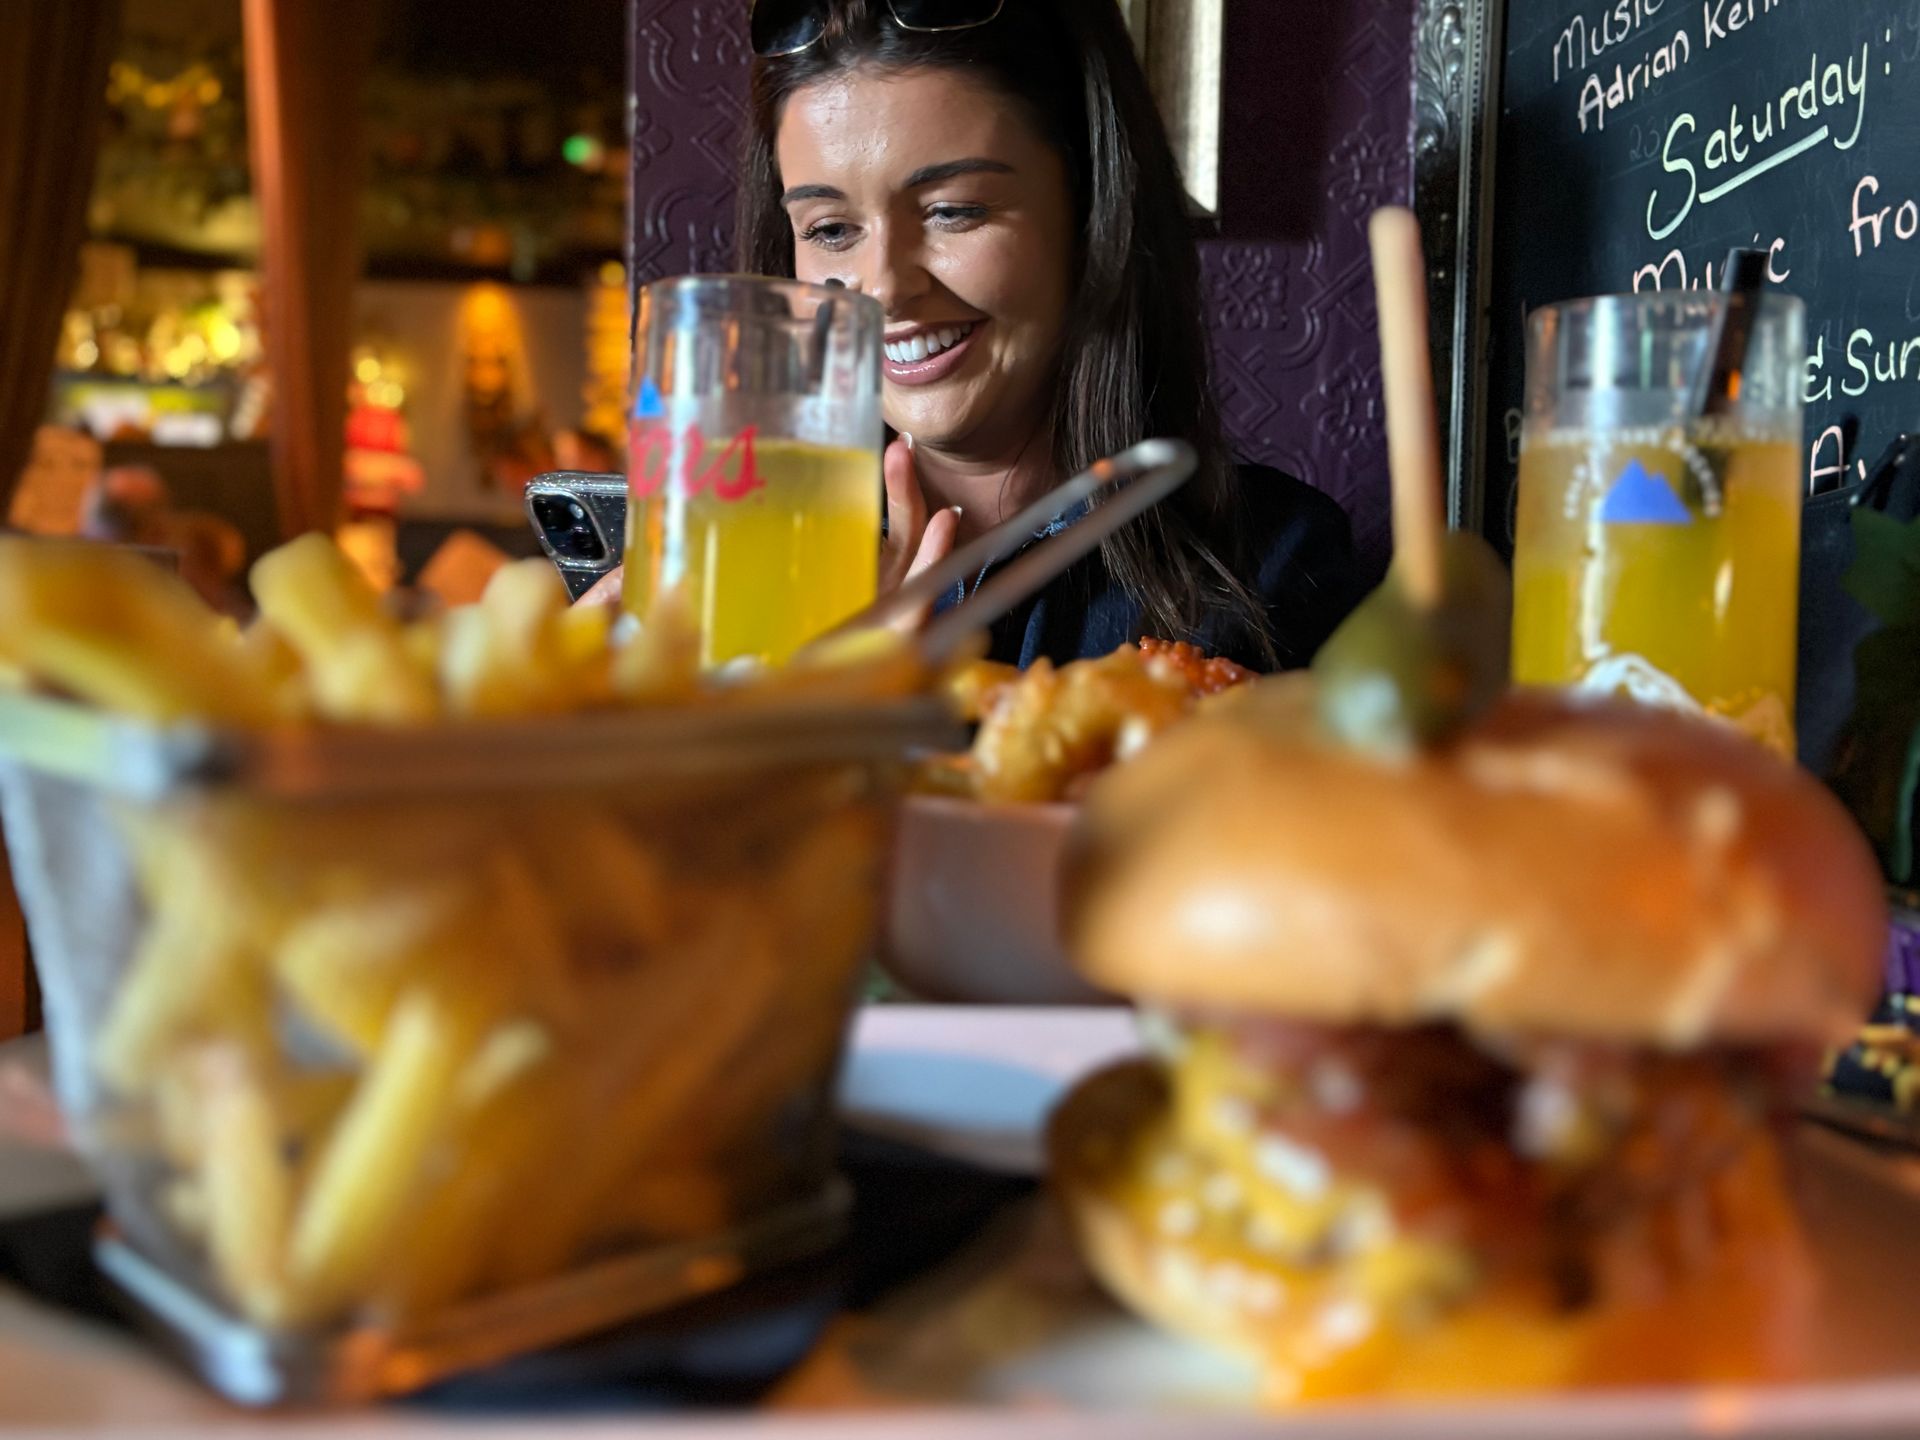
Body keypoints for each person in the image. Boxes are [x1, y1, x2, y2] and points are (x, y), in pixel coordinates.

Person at [591, 0, 1361, 671]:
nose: (886, 285)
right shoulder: (715, 568)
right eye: (830, 228)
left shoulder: (1273, 569)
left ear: (1092, 214)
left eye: (953, 210)